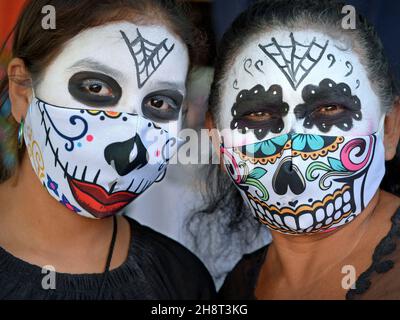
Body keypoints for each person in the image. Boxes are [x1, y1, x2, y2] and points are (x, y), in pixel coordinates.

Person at [0, 0, 215, 300]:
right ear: (22, 90)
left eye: (159, 104)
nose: (130, 150)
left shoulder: (182, 283)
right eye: (96, 88)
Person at [203, 0, 400, 299]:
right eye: (258, 116)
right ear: (216, 139)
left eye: (330, 109)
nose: (292, 165)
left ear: (390, 129)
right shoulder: (239, 287)